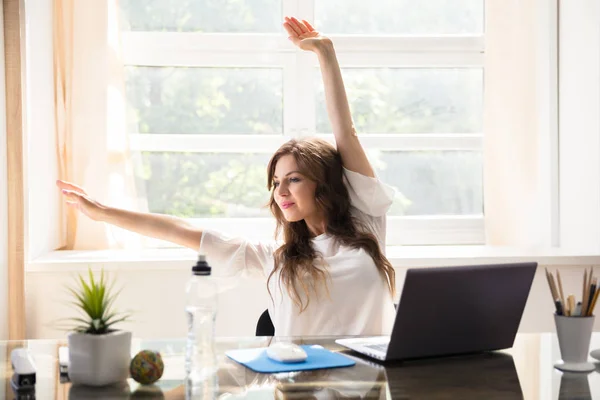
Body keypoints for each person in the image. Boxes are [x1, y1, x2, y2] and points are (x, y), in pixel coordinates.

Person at [57, 16, 397, 336]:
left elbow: (346, 133)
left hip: (371, 385)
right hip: (299, 388)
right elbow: (182, 229)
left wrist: (325, 54)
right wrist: (102, 213)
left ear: (323, 182)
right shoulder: (275, 258)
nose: (281, 191)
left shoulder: (365, 220)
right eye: (276, 183)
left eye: (293, 179)